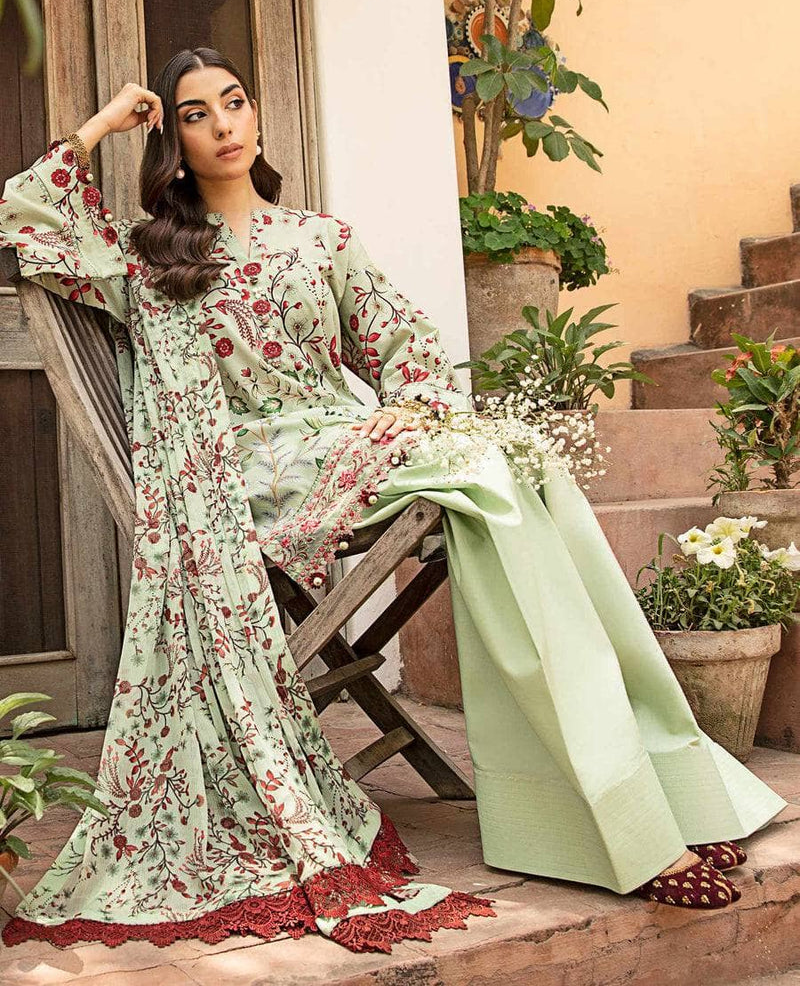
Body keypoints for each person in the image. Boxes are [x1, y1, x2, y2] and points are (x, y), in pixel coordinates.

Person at [0, 47, 787, 953]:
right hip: (250, 473)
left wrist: (432, 415)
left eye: (235, 101)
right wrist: (100, 126)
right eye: (193, 114)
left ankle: (656, 787)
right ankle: (618, 815)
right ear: (171, 140)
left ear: (256, 115)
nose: (223, 124)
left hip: (352, 443)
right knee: (491, 470)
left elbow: (400, 343)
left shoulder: (322, 239)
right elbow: (23, 215)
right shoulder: (150, 260)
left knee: (516, 464)